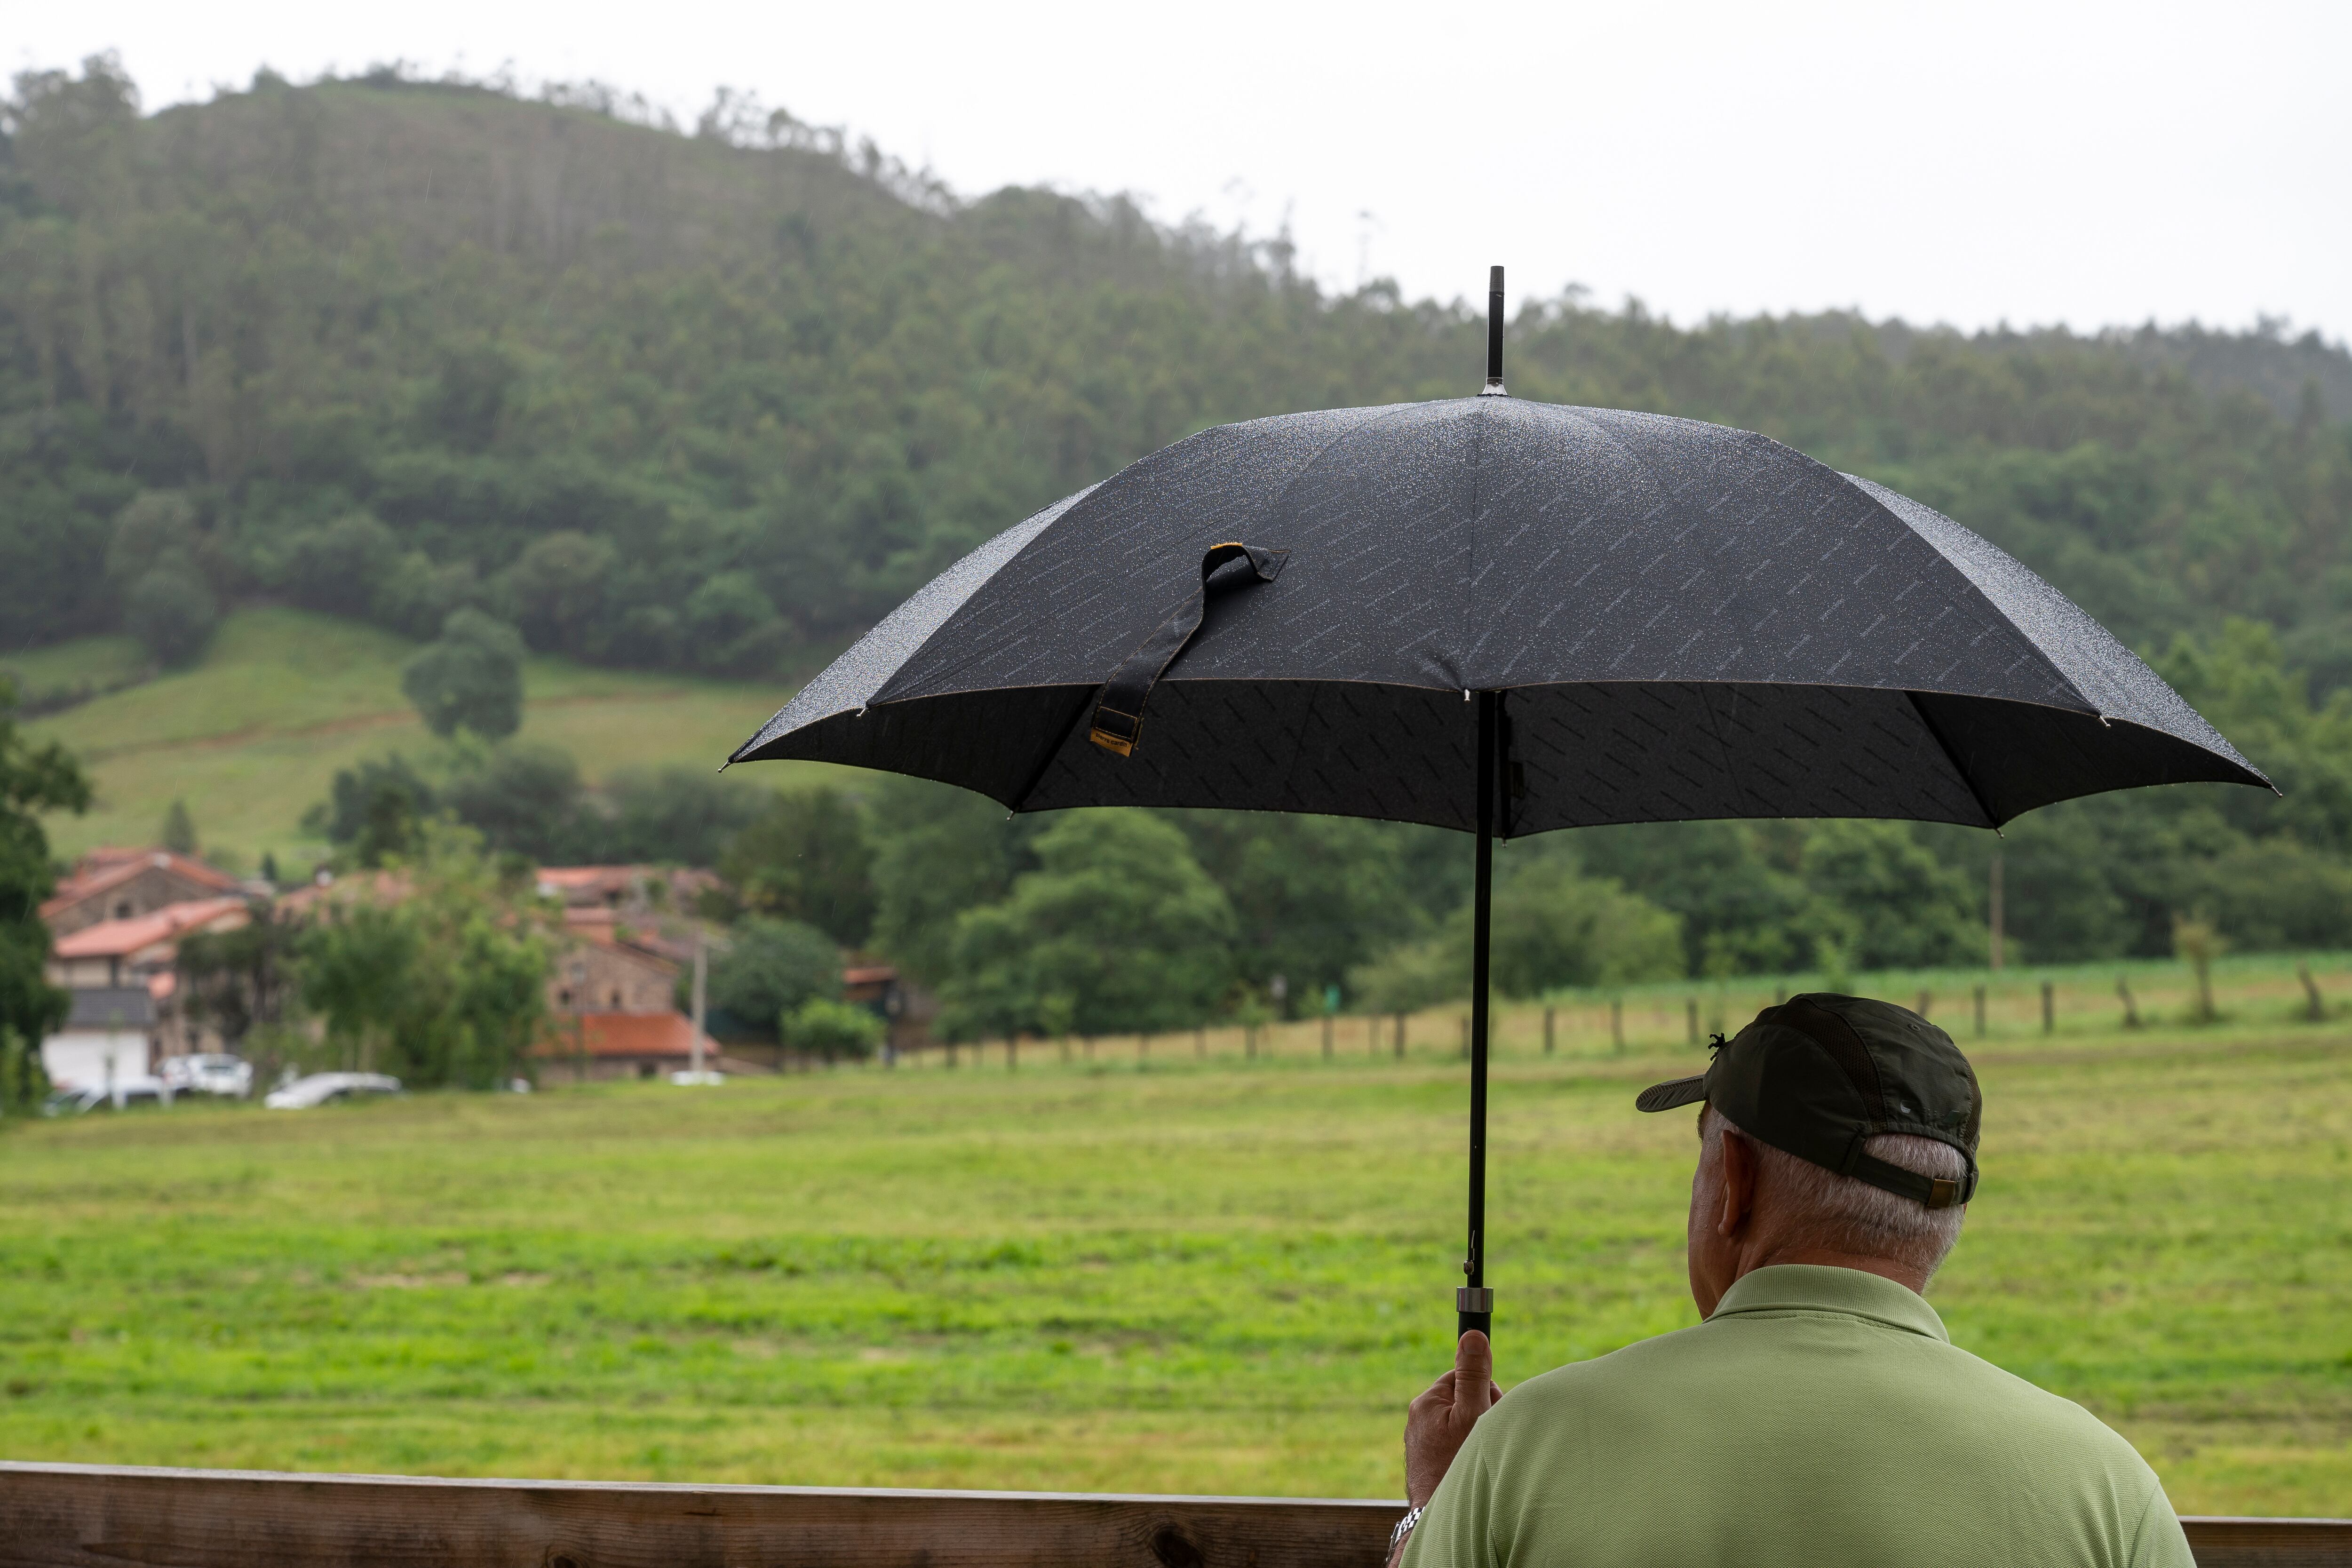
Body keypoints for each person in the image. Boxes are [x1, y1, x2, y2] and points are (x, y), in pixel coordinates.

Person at [1389, 993, 2193, 1568]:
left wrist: (1439, 1500)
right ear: (1944, 1213)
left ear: (1734, 1181)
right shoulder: (2104, 1487)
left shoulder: (1532, 1445)